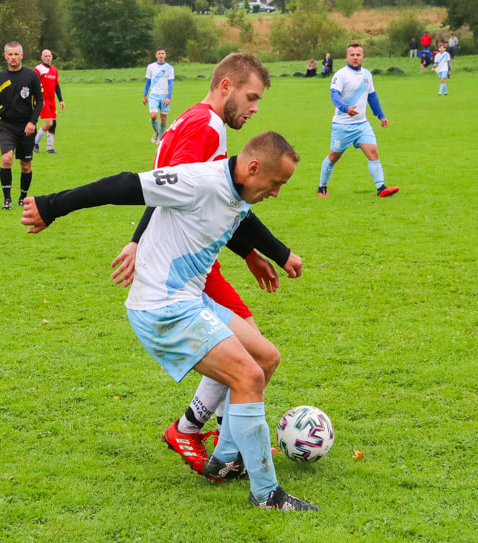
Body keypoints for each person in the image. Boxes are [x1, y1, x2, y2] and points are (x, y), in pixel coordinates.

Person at [20, 131, 318, 511]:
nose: (277, 192)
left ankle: (225, 458)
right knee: (249, 377)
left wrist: (268, 254)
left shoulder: (239, 187)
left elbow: (238, 217)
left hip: (191, 298)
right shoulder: (198, 181)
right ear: (254, 168)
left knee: (265, 357)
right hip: (162, 306)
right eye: (276, 183)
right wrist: (51, 206)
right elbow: (125, 185)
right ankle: (267, 495)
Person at [110, 52, 303, 477]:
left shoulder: (190, 118)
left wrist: (252, 252)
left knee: (254, 353)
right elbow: (176, 193)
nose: (254, 109)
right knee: (250, 355)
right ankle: (207, 432)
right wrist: (139, 240)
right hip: (188, 267)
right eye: (251, 98)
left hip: (194, 254)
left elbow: (210, 202)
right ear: (226, 87)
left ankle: (221, 434)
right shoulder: (209, 128)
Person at [316, 43, 399, 198]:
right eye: (352, 55)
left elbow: (372, 96)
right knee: (334, 156)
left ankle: (381, 187)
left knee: (373, 152)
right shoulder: (341, 75)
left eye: (358, 54)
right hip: (342, 126)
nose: (355, 57)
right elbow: (334, 95)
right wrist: (345, 108)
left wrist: (381, 116)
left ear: (363, 57)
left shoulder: (367, 75)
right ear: (347, 57)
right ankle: (322, 187)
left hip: (362, 125)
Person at [0, 41, 43, 211]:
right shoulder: (0, 78)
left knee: (25, 165)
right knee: (6, 159)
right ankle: (7, 200)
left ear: (22, 55)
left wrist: (32, 122)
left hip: (26, 127)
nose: (13, 57)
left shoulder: (31, 76)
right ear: (5, 56)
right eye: (10, 54)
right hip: (6, 126)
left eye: (16, 54)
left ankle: (23, 197)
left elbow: (40, 101)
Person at [33, 49, 65, 155]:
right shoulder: (38, 69)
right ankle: (34, 143)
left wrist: (61, 100)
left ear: (52, 57)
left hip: (52, 101)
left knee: (53, 124)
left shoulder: (54, 70)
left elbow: (56, 86)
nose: (48, 57)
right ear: (42, 57)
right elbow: (34, 84)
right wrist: (37, 98)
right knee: (49, 123)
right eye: (45, 56)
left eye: (49, 56)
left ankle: (49, 147)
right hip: (43, 101)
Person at [143, 49, 174, 144]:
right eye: (159, 53)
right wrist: (144, 95)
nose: (161, 55)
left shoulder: (169, 68)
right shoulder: (151, 67)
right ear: (156, 55)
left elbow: (170, 84)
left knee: (163, 117)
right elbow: (147, 82)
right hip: (154, 95)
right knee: (153, 116)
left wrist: (168, 97)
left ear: (165, 55)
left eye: (163, 53)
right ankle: (156, 132)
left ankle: (160, 137)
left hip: (164, 95)